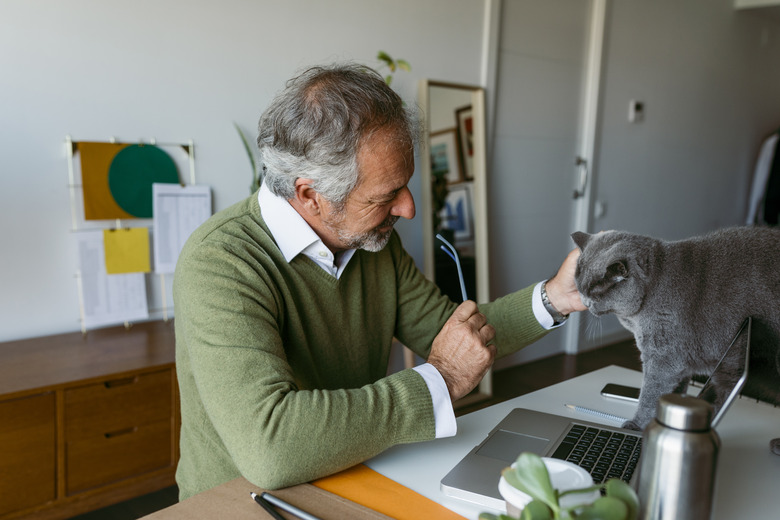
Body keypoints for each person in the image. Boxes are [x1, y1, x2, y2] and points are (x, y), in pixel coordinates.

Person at [173, 62, 585, 500]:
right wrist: (441, 379)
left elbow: (453, 336)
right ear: (310, 195)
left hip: (351, 475)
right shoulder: (220, 262)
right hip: (238, 502)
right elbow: (270, 447)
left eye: (405, 186)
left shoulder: (373, 243)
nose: (408, 209)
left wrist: (557, 296)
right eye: (387, 195)